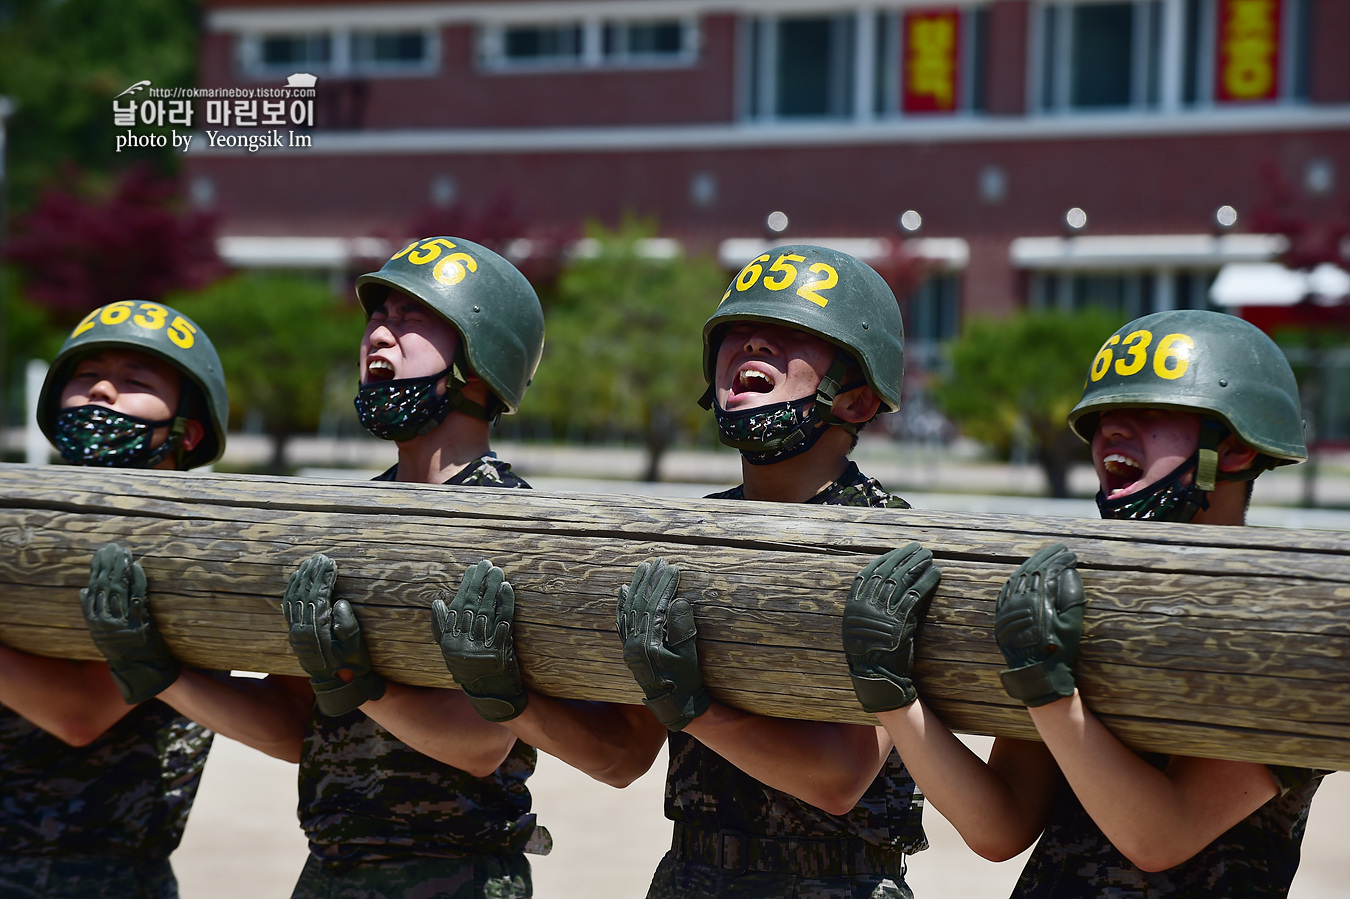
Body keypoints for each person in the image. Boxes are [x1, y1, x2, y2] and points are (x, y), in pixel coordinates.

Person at [80, 237, 553, 898]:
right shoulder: (340, 520)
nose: (379, 332)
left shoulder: (514, 522)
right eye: (377, 314)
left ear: (481, 355)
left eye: (412, 316)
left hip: (457, 874)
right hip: (329, 868)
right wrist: (156, 671)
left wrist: (357, 678)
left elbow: (480, 746)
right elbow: (292, 724)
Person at [842, 308, 1327, 896]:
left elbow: (1160, 837)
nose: (1112, 433)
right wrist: (893, 700)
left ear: (1233, 451)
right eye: (1102, 418)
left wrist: (1049, 695)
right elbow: (1001, 827)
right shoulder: (1075, 595)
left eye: (1150, 414)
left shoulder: (1281, 623)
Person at [615, 245, 926, 898]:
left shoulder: (892, 540)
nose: (753, 341)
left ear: (860, 399)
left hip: (836, 881)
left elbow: (839, 778)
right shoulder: (690, 535)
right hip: (688, 873)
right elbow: (620, 754)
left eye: (792, 335)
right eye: (738, 331)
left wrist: (693, 709)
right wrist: (502, 693)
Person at [0, 300, 228, 897]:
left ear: (188, 431)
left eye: (136, 382)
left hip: (104, 874)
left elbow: (79, 714)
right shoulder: (25, 524)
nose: (102, 389)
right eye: (86, 375)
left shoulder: (186, 548)